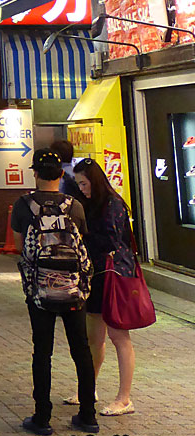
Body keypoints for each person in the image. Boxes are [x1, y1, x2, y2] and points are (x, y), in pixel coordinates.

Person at [9, 148, 97, 436]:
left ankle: (42, 417)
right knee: (81, 350)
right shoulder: (75, 206)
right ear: (61, 174)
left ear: (35, 173)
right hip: (73, 290)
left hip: (40, 291)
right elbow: (81, 240)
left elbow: (20, 246)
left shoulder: (24, 205)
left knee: (42, 352)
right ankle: (88, 416)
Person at [73, 158, 138, 417]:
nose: (82, 189)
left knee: (118, 336)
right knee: (94, 338)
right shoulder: (91, 204)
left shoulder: (112, 204)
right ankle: (88, 389)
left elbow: (112, 240)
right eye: (78, 184)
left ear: (95, 181)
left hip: (115, 275)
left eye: (84, 183)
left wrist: (82, 238)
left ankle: (124, 398)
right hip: (97, 275)